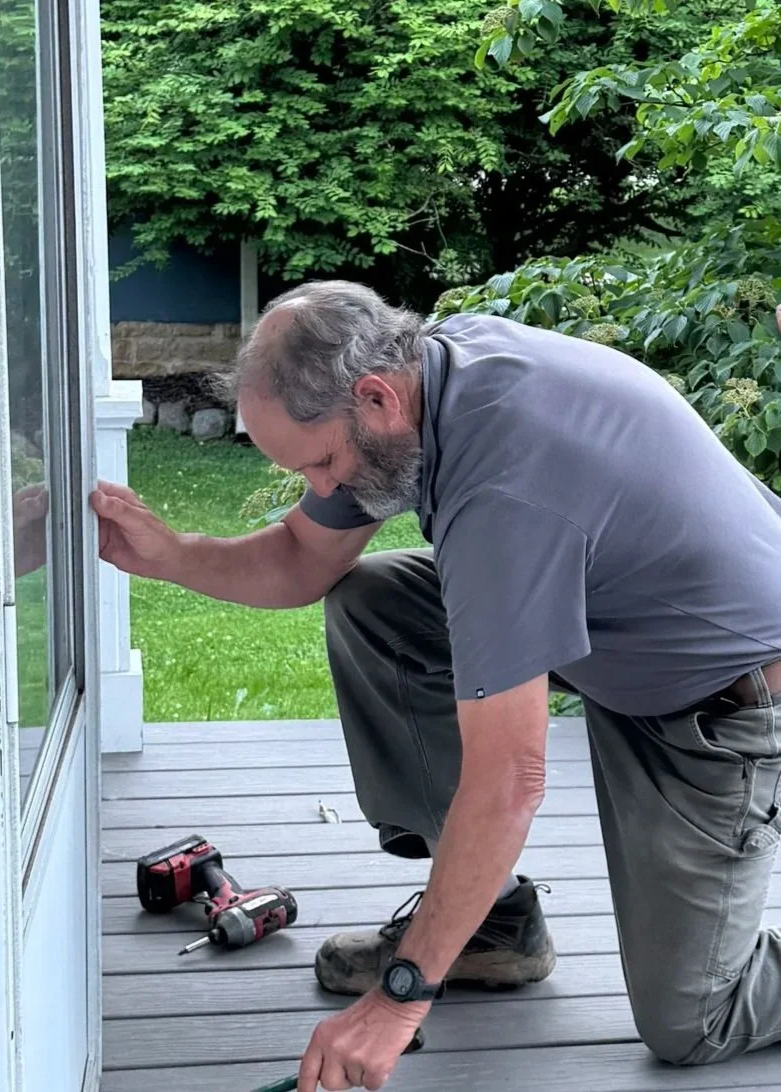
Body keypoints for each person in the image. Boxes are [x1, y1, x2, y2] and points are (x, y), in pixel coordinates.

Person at [91, 285, 781, 1092]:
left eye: (319, 464)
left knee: (694, 1021)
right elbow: (300, 560)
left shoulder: (503, 491)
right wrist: (170, 553)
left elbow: (510, 779)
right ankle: (494, 926)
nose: (321, 486)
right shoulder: (423, 377)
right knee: (376, 604)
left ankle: (470, 929)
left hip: (714, 700)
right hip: (618, 625)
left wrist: (397, 1001)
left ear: (375, 399)